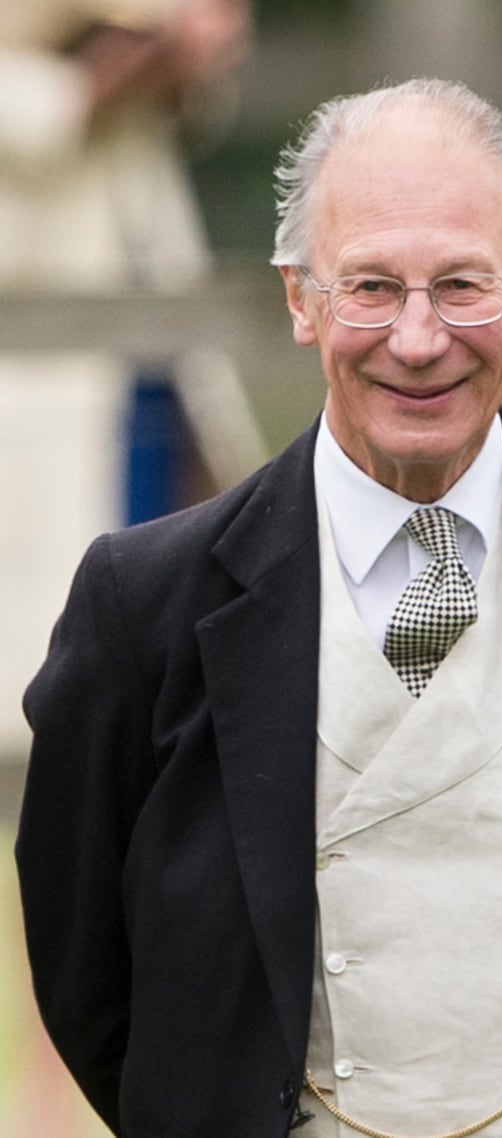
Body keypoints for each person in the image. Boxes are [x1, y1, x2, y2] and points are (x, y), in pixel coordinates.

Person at [15, 77, 502, 1138]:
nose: (419, 339)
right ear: (300, 298)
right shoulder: (145, 603)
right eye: (371, 287)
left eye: (463, 285)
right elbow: (87, 971)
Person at [0, 0, 251, 756]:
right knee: (52, 553)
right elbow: (39, 123)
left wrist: (184, 52)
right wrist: (127, 55)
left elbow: (195, 109)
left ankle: (180, 731)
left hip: (148, 307)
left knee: (188, 524)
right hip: (37, 329)